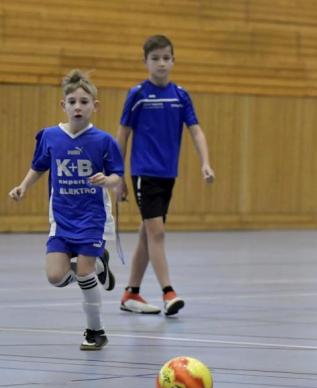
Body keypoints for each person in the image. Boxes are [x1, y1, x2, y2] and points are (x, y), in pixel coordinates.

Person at [8, 69, 124, 350]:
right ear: (64, 105)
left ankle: (95, 331)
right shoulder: (50, 136)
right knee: (55, 277)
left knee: (83, 274)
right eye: (72, 101)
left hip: (92, 219)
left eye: (84, 101)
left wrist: (106, 180)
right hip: (61, 220)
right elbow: (38, 166)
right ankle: (100, 263)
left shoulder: (104, 141)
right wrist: (23, 186)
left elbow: (117, 176)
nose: (78, 106)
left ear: (94, 106)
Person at [115, 34, 215, 316]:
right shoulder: (138, 95)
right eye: (155, 58)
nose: (161, 63)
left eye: (166, 58)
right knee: (156, 232)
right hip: (143, 173)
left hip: (168, 174)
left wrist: (205, 162)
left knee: (147, 235)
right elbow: (122, 134)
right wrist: (118, 174)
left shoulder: (180, 95)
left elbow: (196, 130)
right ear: (145, 62)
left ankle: (131, 292)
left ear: (173, 60)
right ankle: (168, 292)